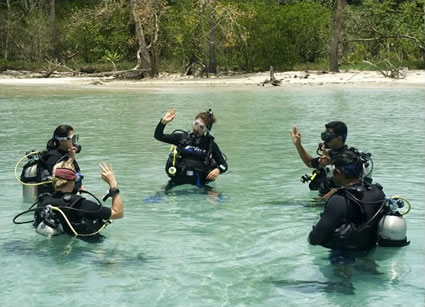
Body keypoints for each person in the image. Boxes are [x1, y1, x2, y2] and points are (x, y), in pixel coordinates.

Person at [307, 151, 385, 265]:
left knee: (340, 281)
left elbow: (315, 238)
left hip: (343, 257)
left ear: (338, 172)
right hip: (370, 252)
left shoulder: (339, 200)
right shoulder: (377, 193)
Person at [33, 149, 123, 240]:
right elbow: (118, 213)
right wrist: (113, 185)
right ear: (74, 180)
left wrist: (70, 160)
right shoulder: (81, 205)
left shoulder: (44, 201)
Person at [291, 121, 372, 199]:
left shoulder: (348, 159)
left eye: (328, 136)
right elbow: (309, 162)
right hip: (326, 199)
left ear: (339, 138)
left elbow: (351, 185)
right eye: (324, 135)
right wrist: (298, 145)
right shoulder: (329, 155)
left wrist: (324, 198)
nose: (325, 139)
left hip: (341, 200)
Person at [154, 108, 228, 191]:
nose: (196, 128)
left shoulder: (210, 144)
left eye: (201, 127)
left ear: (206, 130)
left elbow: (224, 165)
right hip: (177, 180)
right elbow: (158, 136)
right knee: (161, 195)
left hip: (200, 183)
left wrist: (218, 170)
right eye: (196, 124)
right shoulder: (181, 138)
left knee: (217, 199)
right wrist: (163, 122)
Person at [36, 125, 84, 195]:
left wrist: (80, 187)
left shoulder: (66, 154)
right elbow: (61, 182)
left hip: (70, 195)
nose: (75, 142)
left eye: (76, 137)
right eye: (72, 138)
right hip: (59, 199)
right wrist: (71, 159)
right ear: (62, 141)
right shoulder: (53, 157)